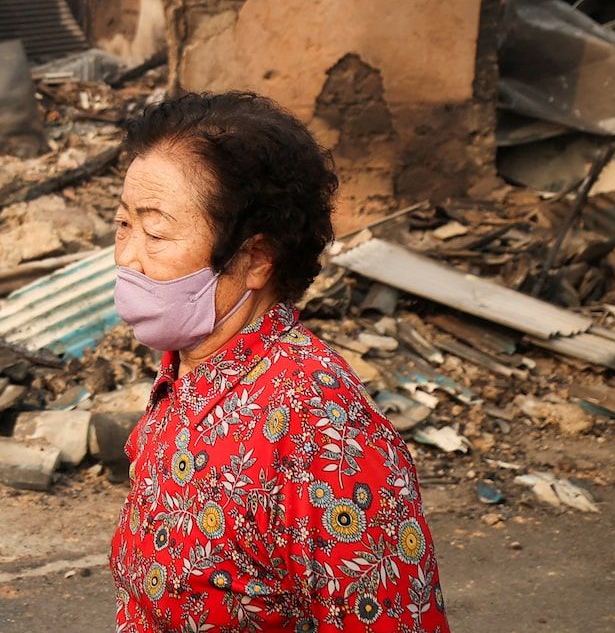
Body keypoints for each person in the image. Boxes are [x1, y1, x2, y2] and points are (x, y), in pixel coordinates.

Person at [109, 91, 449, 632]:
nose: (128, 257)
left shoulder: (319, 430)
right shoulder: (185, 376)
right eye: (123, 225)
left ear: (255, 259)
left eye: (155, 233)